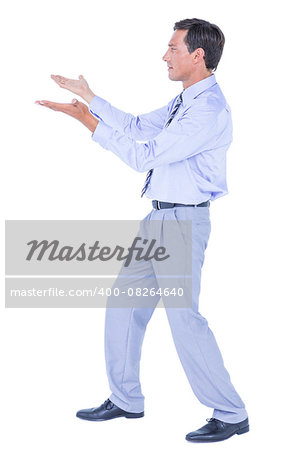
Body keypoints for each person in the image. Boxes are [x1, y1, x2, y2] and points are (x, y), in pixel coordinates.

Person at [36, 18, 249, 443]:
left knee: (184, 320)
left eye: (173, 48)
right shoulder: (184, 101)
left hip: (183, 223)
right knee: (122, 307)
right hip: (158, 220)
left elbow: (144, 156)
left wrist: (90, 124)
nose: (164, 55)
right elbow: (135, 127)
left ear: (198, 55)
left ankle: (231, 412)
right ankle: (126, 399)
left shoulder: (207, 110)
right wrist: (89, 99)